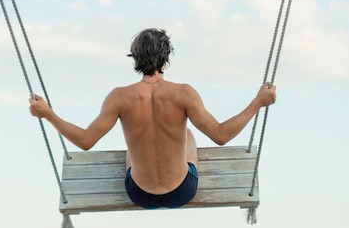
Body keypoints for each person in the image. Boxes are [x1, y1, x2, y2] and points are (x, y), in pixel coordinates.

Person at [29, 28, 276, 209]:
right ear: (166, 58)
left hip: (139, 193)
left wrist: (48, 114)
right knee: (187, 134)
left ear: (135, 59)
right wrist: (258, 102)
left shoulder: (119, 97)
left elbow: (85, 141)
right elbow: (221, 135)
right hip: (181, 191)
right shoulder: (183, 93)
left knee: (132, 144)